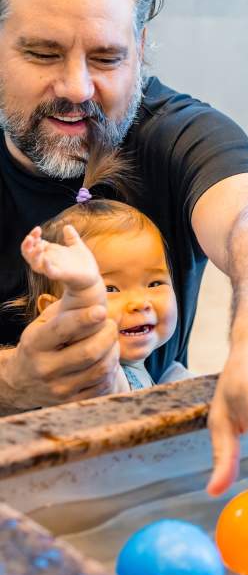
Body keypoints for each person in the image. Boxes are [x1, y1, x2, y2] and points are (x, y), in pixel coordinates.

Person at [0, 0, 248, 517]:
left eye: (107, 57)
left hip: (134, 467)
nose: (78, 87)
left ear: (139, 53)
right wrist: (13, 383)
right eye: (42, 52)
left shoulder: (177, 132)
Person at [12, 129, 187, 392]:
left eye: (154, 283)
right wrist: (84, 290)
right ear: (53, 313)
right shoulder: (90, 375)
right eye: (109, 289)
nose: (140, 303)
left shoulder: (153, 370)